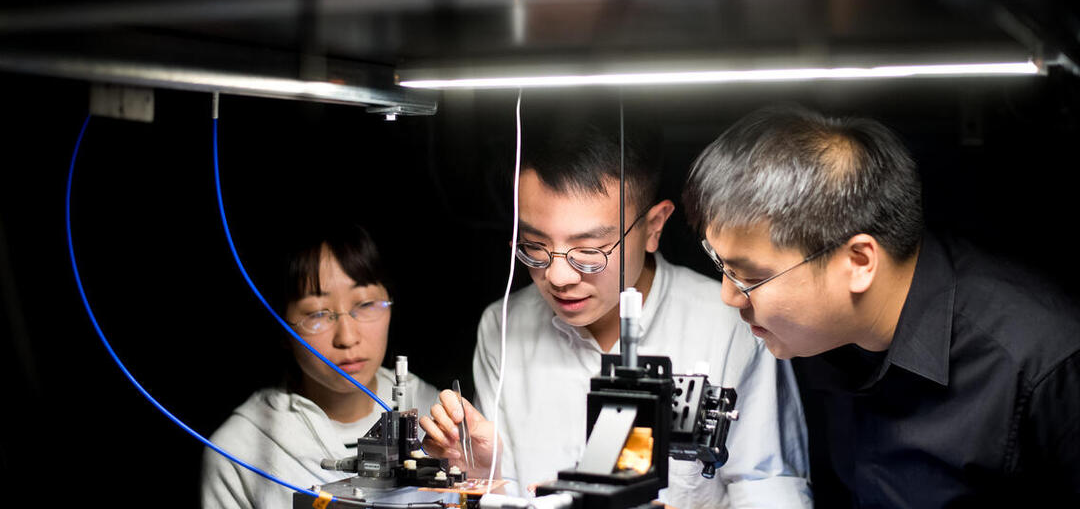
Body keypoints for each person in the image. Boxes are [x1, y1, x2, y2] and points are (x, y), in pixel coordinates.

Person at [682, 104, 1080, 507]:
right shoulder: (821, 335)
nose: (728, 296)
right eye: (719, 264)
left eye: (752, 276)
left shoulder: (1060, 372)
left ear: (859, 262)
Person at [419, 97, 812, 508]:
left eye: (589, 251)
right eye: (534, 246)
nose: (558, 276)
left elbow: (770, 488)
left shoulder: (731, 325)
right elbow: (511, 496)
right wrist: (485, 477)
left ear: (654, 226)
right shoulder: (503, 327)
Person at [201, 224, 440, 509]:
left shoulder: (436, 414)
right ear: (282, 329)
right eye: (317, 314)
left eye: (364, 304)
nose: (347, 338)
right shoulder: (238, 451)